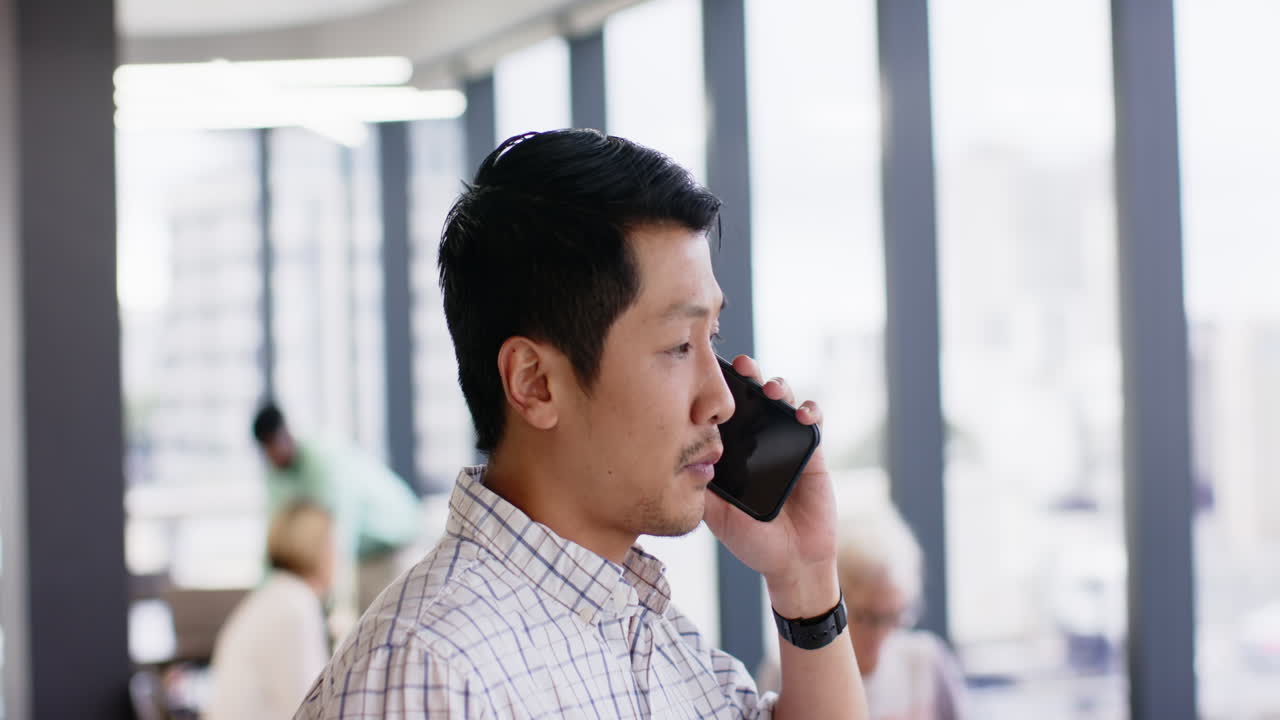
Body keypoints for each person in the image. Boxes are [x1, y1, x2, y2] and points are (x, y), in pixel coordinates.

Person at [294, 129, 868, 719]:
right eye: (677, 345)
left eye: (711, 339)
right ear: (535, 382)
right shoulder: (430, 674)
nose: (721, 398)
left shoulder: (655, 638)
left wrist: (806, 583)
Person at [759, 501, 970, 719]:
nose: (879, 634)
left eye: (893, 617)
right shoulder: (788, 670)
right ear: (832, 607)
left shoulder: (928, 664)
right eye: (867, 617)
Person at [252, 404, 422, 619]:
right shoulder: (277, 474)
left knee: (387, 627)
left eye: (273, 445)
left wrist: (338, 607)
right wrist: (263, 601)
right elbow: (274, 537)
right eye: (265, 449)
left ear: (285, 433)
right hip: (362, 558)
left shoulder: (324, 458)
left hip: (394, 549)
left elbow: (340, 536)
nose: (272, 454)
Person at [204, 502, 335, 720]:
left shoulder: (275, 596)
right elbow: (312, 710)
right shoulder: (294, 606)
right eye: (334, 546)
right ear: (320, 551)